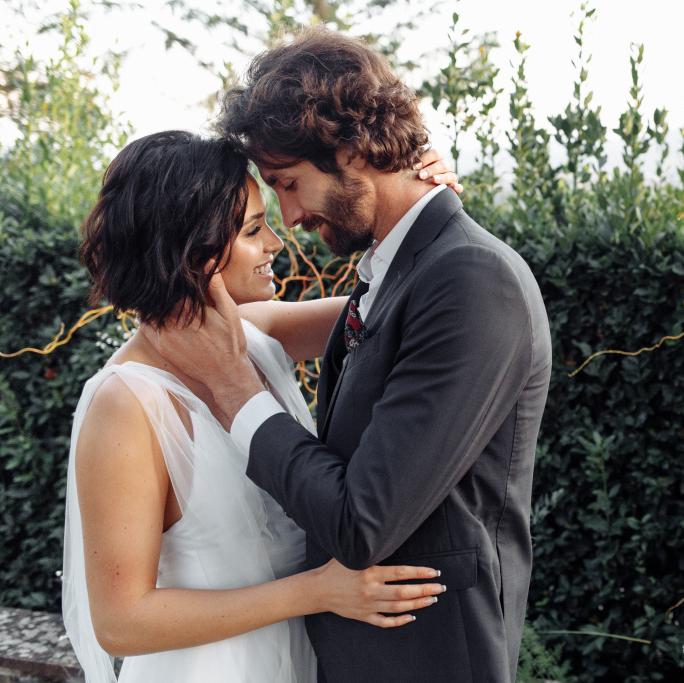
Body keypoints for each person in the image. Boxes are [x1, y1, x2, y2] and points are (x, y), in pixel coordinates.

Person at [144, 29, 553, 683]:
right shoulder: (400, 273)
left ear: (352, 150)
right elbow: (231, 329)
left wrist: (236, 390)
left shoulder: (473, 280)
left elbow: (362, 524)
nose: (290, 217)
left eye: (289, 184)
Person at [63, 130, 459, 682]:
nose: (276, 242)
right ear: (192, 252)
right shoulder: (125, 404)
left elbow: (415, 296)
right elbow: (122, 622)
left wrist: (418, 204)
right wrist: (315, 592)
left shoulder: (256, 334)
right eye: (253, 230)